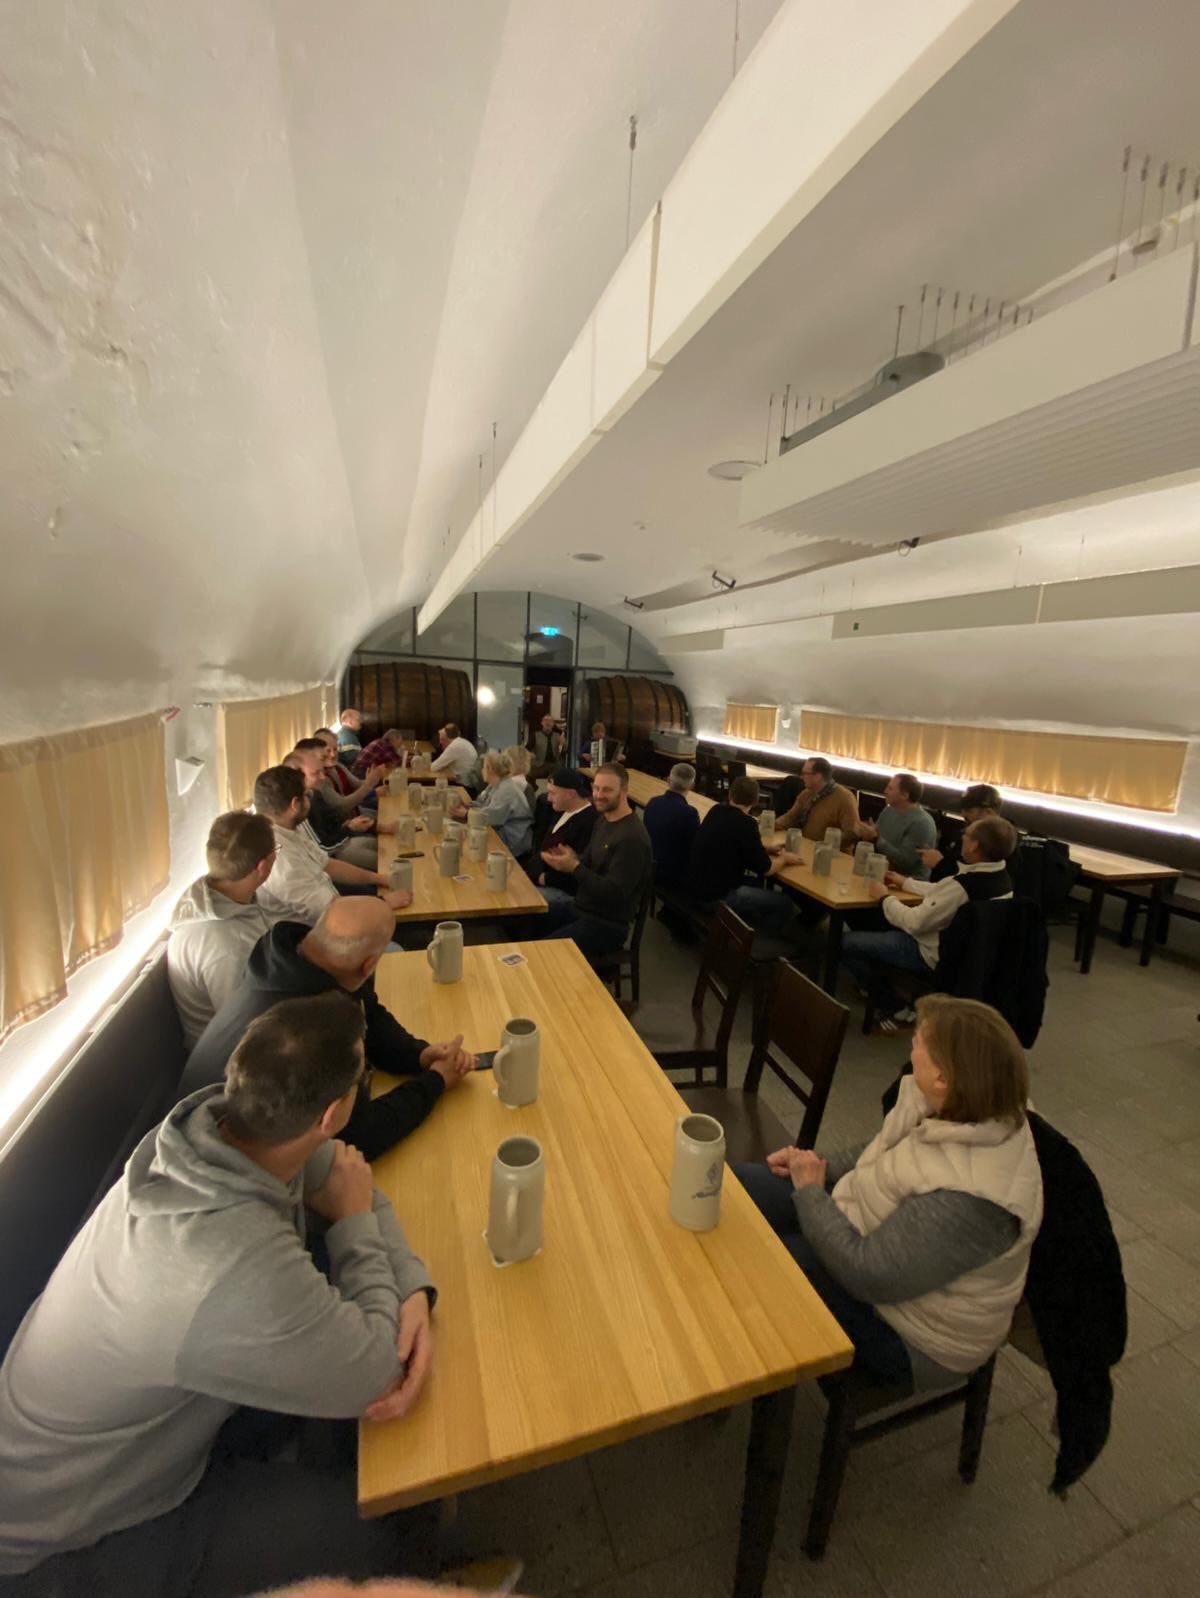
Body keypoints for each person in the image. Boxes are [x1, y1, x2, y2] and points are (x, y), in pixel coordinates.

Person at [0, 992, 439, 1594]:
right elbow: (378, 1370)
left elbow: (347, 1176)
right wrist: (358, 1225)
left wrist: (409, 1286)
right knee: (387, 1523)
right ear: (333, 1113)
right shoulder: (227, 1262)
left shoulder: (210, 1132)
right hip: (76, 1532)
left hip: (122, 1440)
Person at [734, 994, 1042, 1389]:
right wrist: (811, 1165)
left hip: (911, 1336)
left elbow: (866, 1274)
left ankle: (727, 1379)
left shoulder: (970, 1200)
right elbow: (879, 1151)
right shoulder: (957, 1105)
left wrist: (811, 1193)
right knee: (741, 1187)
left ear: (943, 1078)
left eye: (920, 1040)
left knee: (767, 1262)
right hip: (875, 1241)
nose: (911, 1041)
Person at [176, 898, 474, 1153]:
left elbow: (368, 1012)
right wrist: (435, 1081)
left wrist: (418, 1054)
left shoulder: (302, 958)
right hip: (217, 1159)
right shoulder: (306, 1033)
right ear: (369, 965)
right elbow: (359, 1136)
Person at [842, 814, 1019, 1029]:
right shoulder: (1001, 878)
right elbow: (941, 890)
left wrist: (884, 898)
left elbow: (914, 922)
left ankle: (893, 1004)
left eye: (967, 834)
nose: (963, 837)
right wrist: (904, 882)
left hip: (931, 952)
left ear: (974, 845)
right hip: (969, 956)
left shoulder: (964, 886)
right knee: (869, 922)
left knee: (846, 942)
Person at [167, 812, 278, 1049]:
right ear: (263, 867)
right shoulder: (228, 948)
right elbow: (248, 1031)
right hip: (234, 1056)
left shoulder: (227, 898)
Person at [254, 765, 410, 926]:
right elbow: (330, 910)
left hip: (335, 909)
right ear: (295, 805)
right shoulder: (281, 860)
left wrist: (380, 878)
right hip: (319, 931)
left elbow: (328, 864)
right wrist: (384, 902)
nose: (310, 799)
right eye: (307, 795)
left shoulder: (287, 829)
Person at [535, 764, 652, 960]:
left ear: (624, 791)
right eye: (596, 788)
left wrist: (574, 867)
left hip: (605, 924)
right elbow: (587, 862)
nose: (598, 795)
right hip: (581, 908)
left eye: (607, 790)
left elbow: (614, 893)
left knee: (543, 954)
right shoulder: (603, 821)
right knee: (524, 920)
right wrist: (569, 860)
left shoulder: (632, 838)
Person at [685, 775, 802, 938]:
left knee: (757, 884)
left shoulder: (716, 810)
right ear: (755, 801)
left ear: (730, 795)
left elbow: (732, 843)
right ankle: (761, 942)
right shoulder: (747, 823)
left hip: (695, 885)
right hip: (717, 897)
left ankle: (745, 922)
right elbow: (767, 869)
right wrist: (785, 859)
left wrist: (765, 849)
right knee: (785, 903)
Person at [286, 742, 391, 872]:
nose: (323, 777)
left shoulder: (314, 793)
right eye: (316, 773)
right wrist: (349, 828)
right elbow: (324, 848)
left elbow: (335, 818)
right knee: (387, 861)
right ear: (296, 777)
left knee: (388, 847)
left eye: (322, 771)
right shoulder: (298, 808)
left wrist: (349, 825)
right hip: (331, 859)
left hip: (338, 843)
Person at [528, 768, 597, 904]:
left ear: (570, 794)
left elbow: (578, 875)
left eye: (553, 793)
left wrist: (544, 878)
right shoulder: (562, 810)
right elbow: (543, 851)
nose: (548, 798)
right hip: (541, 878)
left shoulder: (589, 822)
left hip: (564, 892)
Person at [855, 772, 938, 880]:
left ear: (905, 795)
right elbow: (877, 842)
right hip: (880, 872)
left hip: (908, 882)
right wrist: (867, 835)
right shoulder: (888, 810)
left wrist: (876, 838)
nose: (885, 791)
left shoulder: (922, 823)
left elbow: (906, 862)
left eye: (890, 789)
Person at [449, 751, 531, 857]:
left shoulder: (506, 790)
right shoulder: (496, 784)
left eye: (483, 767)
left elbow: (493, 817)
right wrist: (468, 805)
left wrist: (466, 814)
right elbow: (483, 805)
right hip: (500, 833)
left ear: (490, 769)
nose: (482, 770)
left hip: (511, 842)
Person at [922, 783, 1004, 881]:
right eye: (962, 809)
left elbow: (977, 881)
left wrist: (940, 864)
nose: (963, 814)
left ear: (988, 812)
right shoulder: (964, 832)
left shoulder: (1001, 844)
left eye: (969, 810)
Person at [775, 755, 859, 843]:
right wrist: (772, 824)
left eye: (805, 774)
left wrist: (827, 842)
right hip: (806, 843)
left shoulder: (845, 798)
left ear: (818, 776)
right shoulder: (806, 793)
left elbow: (852, 833)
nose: (802, 777)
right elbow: (790, 818)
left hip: (830, 849)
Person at [642, 763, 701, 888]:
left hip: (646, 865)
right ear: (692, 786)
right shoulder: (690, 814)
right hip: (671, 875)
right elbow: (693, 848)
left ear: (668, 780)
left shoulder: (653, 802)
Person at [313, 727, 384, 812]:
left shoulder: (338, 766)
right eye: (328, 751)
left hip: (355, 811)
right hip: (345, 818)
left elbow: (357, 784)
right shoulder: (320, 778)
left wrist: (373, 778)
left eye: (335, 749)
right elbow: (342, 806)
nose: (333, 755)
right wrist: (369, 784)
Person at [525, 714, 565, 781]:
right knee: (529, 775)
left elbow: (564, 751)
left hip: (555, 765)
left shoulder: (558, 736)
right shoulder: (535, 735)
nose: (548, 722)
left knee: (560, 775)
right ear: (542, 723)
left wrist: (564, 744)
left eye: (550, 721)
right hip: (539, 765)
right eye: (545, 720)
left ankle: (550, 784)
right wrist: (530, 754)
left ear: (553, 724)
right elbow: (526, 749)